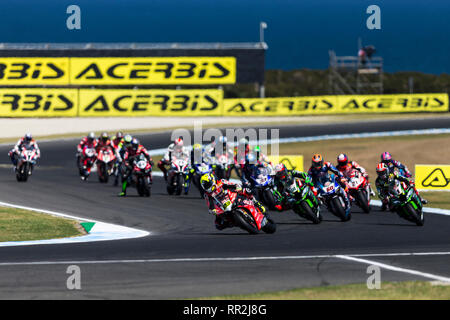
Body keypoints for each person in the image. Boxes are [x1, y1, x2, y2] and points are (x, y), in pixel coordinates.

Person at [200, 173, 267, 230]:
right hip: (222, 205)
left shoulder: (221, 182)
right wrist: (213, 210)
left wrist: (237, 187)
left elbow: (232, 184)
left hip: (231, 196)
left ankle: (257, 203)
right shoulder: (207, 194)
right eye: (205, 186)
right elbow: (210, 205)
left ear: (212, 180)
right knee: (218, 224)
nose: (207, 186)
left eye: (208, 184)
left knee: (246, 190)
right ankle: (235, 222)